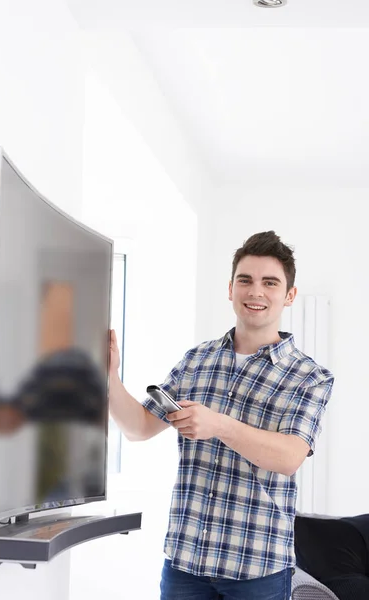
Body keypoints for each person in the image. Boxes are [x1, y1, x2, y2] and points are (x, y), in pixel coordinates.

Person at [109, 230, 334, 600]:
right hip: (185, 564)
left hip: (256, 570)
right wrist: (109, 377)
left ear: (289, 295)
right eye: (245, 280)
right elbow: (137, 428)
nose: (255, 291)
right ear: (230, 289)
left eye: (270, 282)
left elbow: (290, 457)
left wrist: (218, 425)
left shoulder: (310, 376)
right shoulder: (197, 359)